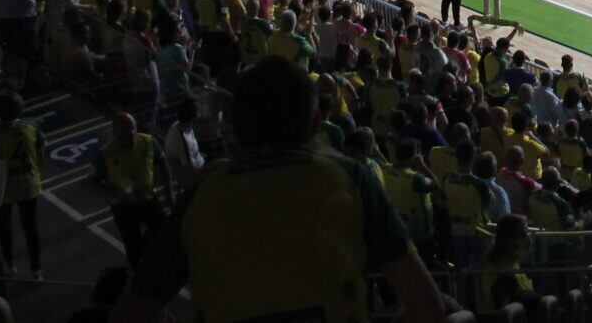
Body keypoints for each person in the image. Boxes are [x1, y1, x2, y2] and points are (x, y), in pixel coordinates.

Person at [111, 57, 452, 323]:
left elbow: (131, 313)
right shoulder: (351, 178)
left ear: (235, 128)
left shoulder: (202, 196)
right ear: (316, 123)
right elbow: (426, 305)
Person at [93, 112, 169, 268]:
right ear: (115, 133)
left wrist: (169, 192)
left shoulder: (148, 141)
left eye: (132, 128)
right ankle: (136, 275)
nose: (130, 133)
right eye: (125, 130)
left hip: (148, 198)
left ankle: (148, 252)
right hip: (123, 206)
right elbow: (92, 183)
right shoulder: (105, 154)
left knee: (161, 229)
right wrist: (115, 193)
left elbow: (163, 164)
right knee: (131, 242)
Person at [0, 89, 45, 281]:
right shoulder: (32, 127)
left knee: (4, 224)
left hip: (4, 184)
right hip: (28, 181)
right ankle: (36, 270)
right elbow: (41, 151)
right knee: (30, 226)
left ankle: (10, 263)